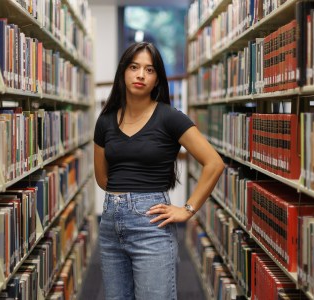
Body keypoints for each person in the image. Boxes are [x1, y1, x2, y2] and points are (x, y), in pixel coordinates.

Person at [93, 42, 224, 300]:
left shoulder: (170, 117)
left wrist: (188, 209)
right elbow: (102, 177)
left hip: (151, 223)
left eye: (149, 70)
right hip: (109, 224)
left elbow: (214, 163)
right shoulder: (106, 120)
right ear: (123, 73)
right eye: (134, 67)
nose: (141, 75)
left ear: (157, 79)